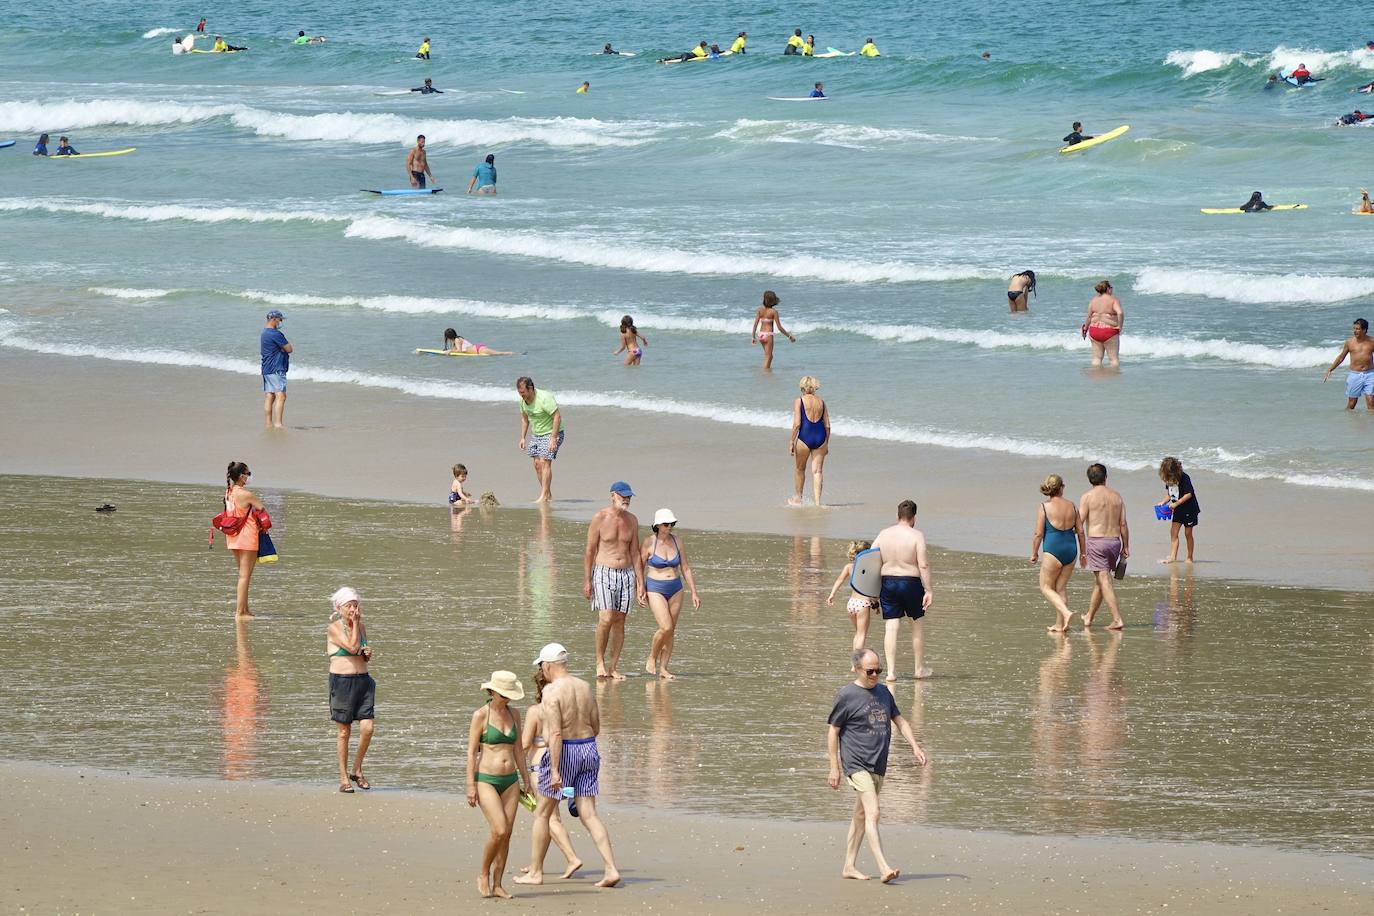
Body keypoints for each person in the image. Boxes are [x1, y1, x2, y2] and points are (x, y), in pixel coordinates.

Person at [516, 643, 621, 889]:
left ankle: (536, 872)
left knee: (542, 814)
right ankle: (611, 869)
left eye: (542, 666)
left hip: (565, 752)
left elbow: (554, 734)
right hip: (589, 748)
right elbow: (596, 727)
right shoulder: (585, 687)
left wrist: (553, 769)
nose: (542, 671)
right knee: (590, 814)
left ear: (549, 665)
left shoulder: (552, 692)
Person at [826, 648, 928, 884]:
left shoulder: (883, 692)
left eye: (878, 670)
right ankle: (884, 867)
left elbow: (899, 720)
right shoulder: (847, 695)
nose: (875, 675)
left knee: (861, 815)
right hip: (856, 763)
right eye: (870, 671)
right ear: (856, 669)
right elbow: (833, 732)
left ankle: (849, 866)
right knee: (874, 813)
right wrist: (834, 767)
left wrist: (915, 746)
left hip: (878, 763)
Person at [466, 671, 532, 899]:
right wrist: (470, 785)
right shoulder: (480, 715)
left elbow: (518, 751)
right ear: (492, 692)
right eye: (503, 694)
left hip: (510, 781)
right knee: (499, 829)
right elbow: (471, 753)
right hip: (486, 780)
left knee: (508, 834)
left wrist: (527, 779)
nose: (507, 698)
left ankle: (498, 883)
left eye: (509, 695)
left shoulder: (515, 713)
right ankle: (483, 873)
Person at [519, 665, 582, 879]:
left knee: (547, 818)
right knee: (548, 817)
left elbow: (526, 744)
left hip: (541, 769)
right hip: (565, 768)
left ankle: (572, 858)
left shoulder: (535, 711)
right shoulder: (566, 711)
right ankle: (536, 863)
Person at [584, 482, 645, 681]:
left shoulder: (632, 520)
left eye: (629, 496)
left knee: (620, 621)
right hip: (603, 572)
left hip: (626, 573)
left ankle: (613, 667)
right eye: (623, 496)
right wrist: (587, 580)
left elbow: (635, 552)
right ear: (613, 495)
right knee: (606, 618)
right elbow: (590, 551)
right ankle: (599, 662)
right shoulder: (600, 518)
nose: (626, 499)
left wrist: (640, 583)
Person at [871, 500, 933, 680]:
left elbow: (869, 559)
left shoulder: (883, 534)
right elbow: (923, 564)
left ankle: (890, 673)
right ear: (914, 517)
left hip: (888, 582)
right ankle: (919, 669)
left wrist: (871, 590)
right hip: (911, 582)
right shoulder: (917, 536)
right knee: (916, 625)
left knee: (891, 626)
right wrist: (928, 589)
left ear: (897, 516)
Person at [641, 508, 700, 679]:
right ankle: (652, 657)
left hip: (676, 587)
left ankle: (664, 668)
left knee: (671, 630)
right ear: (658, 525)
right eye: (666, 524)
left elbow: (686, 568)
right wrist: (640, 589)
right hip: (655, 587)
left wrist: (694, 592)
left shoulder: (678, 541)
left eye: (672, 524)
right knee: (665, 627)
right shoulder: (648, 543)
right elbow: (639, 566)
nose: (669, 527)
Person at [327, 587, 376, 793]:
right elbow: (352, 647)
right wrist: (355, 625)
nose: (353, 609)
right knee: (344, 732)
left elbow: (360, 651)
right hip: (342, 682)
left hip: (363, 681)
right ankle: (344, 777)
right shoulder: (334, 628)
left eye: (356, 605)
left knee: (367, 728)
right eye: (349, 606)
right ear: (339, 608)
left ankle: (357, 769)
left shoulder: (361, 626)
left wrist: (367, 654)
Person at [1030, 474, 1083, 633]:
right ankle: (1060, 625)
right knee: (1060, 587)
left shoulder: (1044, 507)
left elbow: (1038, 534)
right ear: (1061, 488)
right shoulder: (1073, 506)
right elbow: (1080, 532)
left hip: (1053, 550)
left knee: (1046, 587)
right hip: (1071, 550)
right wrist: (1083, 554)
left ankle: (1066, 613)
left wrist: (1034, 553)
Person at [1078, 463, 1128, 630]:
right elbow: (1123, 524)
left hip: (1096, 542)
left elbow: (1079, 523)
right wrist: (1126, 546)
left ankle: (1117, 619)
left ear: (1089, 479)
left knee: (1104, 580)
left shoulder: (1087, 497)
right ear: (1106, 477)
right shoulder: (1117, 497)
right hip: (1114, 542)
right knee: (1099, 581)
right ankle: (1089, 617)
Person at [223, 461, 263, 618]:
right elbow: (261, 508)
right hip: (247, 537)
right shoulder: (246, 494)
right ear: (241, 476)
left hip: (233, 536)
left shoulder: (228, 492)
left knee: (242, 574)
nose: (249, 477)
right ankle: (240, 612)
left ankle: (245, 609)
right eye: (248, 474)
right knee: (245, 576)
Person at [516, 376, 563, 502]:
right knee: (537, 465)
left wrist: (553, 438)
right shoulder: (522, 401)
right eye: (520, 393)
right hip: (537, 434)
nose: (522, 396)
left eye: (523, 393)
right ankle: (547, 494)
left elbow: (557, 416)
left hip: (552, 432)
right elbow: (524, 419)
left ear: (530, 388)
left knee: (544, 462)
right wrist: (522, 438)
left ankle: (543, 496)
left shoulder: (544, 398)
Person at [826, 540, 878, 651]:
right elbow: (872, 589)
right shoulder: (870, 569)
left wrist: (832, 595)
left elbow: (839, 580)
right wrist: (877, 604)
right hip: (863, 604)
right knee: (862, 635)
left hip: (851, 603)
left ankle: (854, 663)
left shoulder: (849, 567)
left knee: (857, 633)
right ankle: (857, 664)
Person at [789, 375, 830, 507]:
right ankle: (818, 503)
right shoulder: (822, 402)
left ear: (802, 387)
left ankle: (798, 499)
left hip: (804, 437)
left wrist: (791, 441)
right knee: (817, 471)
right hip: (820, 437)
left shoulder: (799, 401)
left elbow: (797, 424)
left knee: (800, 469)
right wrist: (826, 443)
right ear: (814, 387)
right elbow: (828, 425)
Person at [1322, 318, 1374, 411]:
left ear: (1364, 329)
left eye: (1357, 329)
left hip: (1370, 374)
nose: (1354, 331)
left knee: (1371, 402)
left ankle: (1370, 423)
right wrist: (1330, 369)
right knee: (1352, 403)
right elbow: (1341, 357)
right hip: (1355, 375)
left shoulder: (1372, 341)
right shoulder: (1349, 342)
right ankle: (1348, 422)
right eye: (1354, 328)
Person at [1157, 457, 1200, 564]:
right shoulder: (1169, 479)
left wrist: (1176, 503)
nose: (1168, 481)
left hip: (1190, 509)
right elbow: (1170, 494)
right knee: (1173, 532)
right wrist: (1163, 502)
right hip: (1178, 510)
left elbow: (1189, 494)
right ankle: (1172, 557)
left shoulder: (1184, 478)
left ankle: (1189, 557)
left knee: (1188, 533)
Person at [260, 309, 292, 428]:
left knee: (270, 395)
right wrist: (283, 349)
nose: (280, 322)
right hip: (276, 367)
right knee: (281, 395)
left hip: (266, 367)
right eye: (279, 320)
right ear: (273, 319)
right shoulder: (275, 334)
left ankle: (269, 423)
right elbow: (289, 349)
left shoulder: (264, 333)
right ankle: (278, 424)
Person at [751, 290, 795, 370]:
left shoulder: (760, 310)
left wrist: (753, 337)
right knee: (768, 356)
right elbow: (779, 327)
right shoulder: (774, 312)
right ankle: (765, 374)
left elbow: (755, 325)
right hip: (768, 335)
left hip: (760, 335)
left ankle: (767, 373)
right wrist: (789, 336)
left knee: (769, 356)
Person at [1083, 280, 1123, 368]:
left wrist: (1085, 328)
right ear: (1108, 289)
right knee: (1113, 359)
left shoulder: (1093, 300)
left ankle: (1096, 378)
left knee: (1096, 358)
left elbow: (1089, 317)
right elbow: (1120, 313)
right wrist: (1120, 326)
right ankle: (1114, 380)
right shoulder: (1113, 300)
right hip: (1109, 331)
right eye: (1111, 287)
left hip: (1094, 330)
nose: (1112, 289)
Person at [444, 327, 512, 355]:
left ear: (448, 336)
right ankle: (515, 354)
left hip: (478, 350)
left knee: (501, 353)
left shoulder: (456, 340)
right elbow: (457, 349)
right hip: (477, 348)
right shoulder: (458, 338)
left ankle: (517, 354)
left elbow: (459, 350)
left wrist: (450, 351)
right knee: (500, 353)